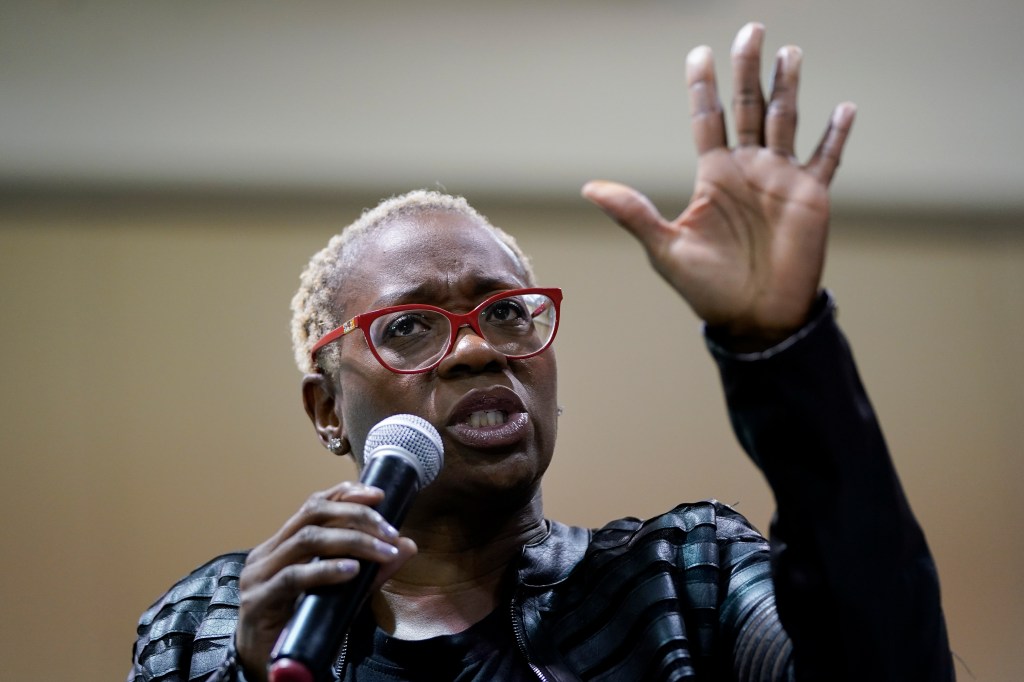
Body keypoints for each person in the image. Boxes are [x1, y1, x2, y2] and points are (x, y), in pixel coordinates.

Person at [128, 23, 954, 682]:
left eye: (509, 313)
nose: (478, 350)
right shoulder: (207, 624)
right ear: (325, 408)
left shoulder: (682, 584)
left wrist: (780, 348)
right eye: (410, 327)